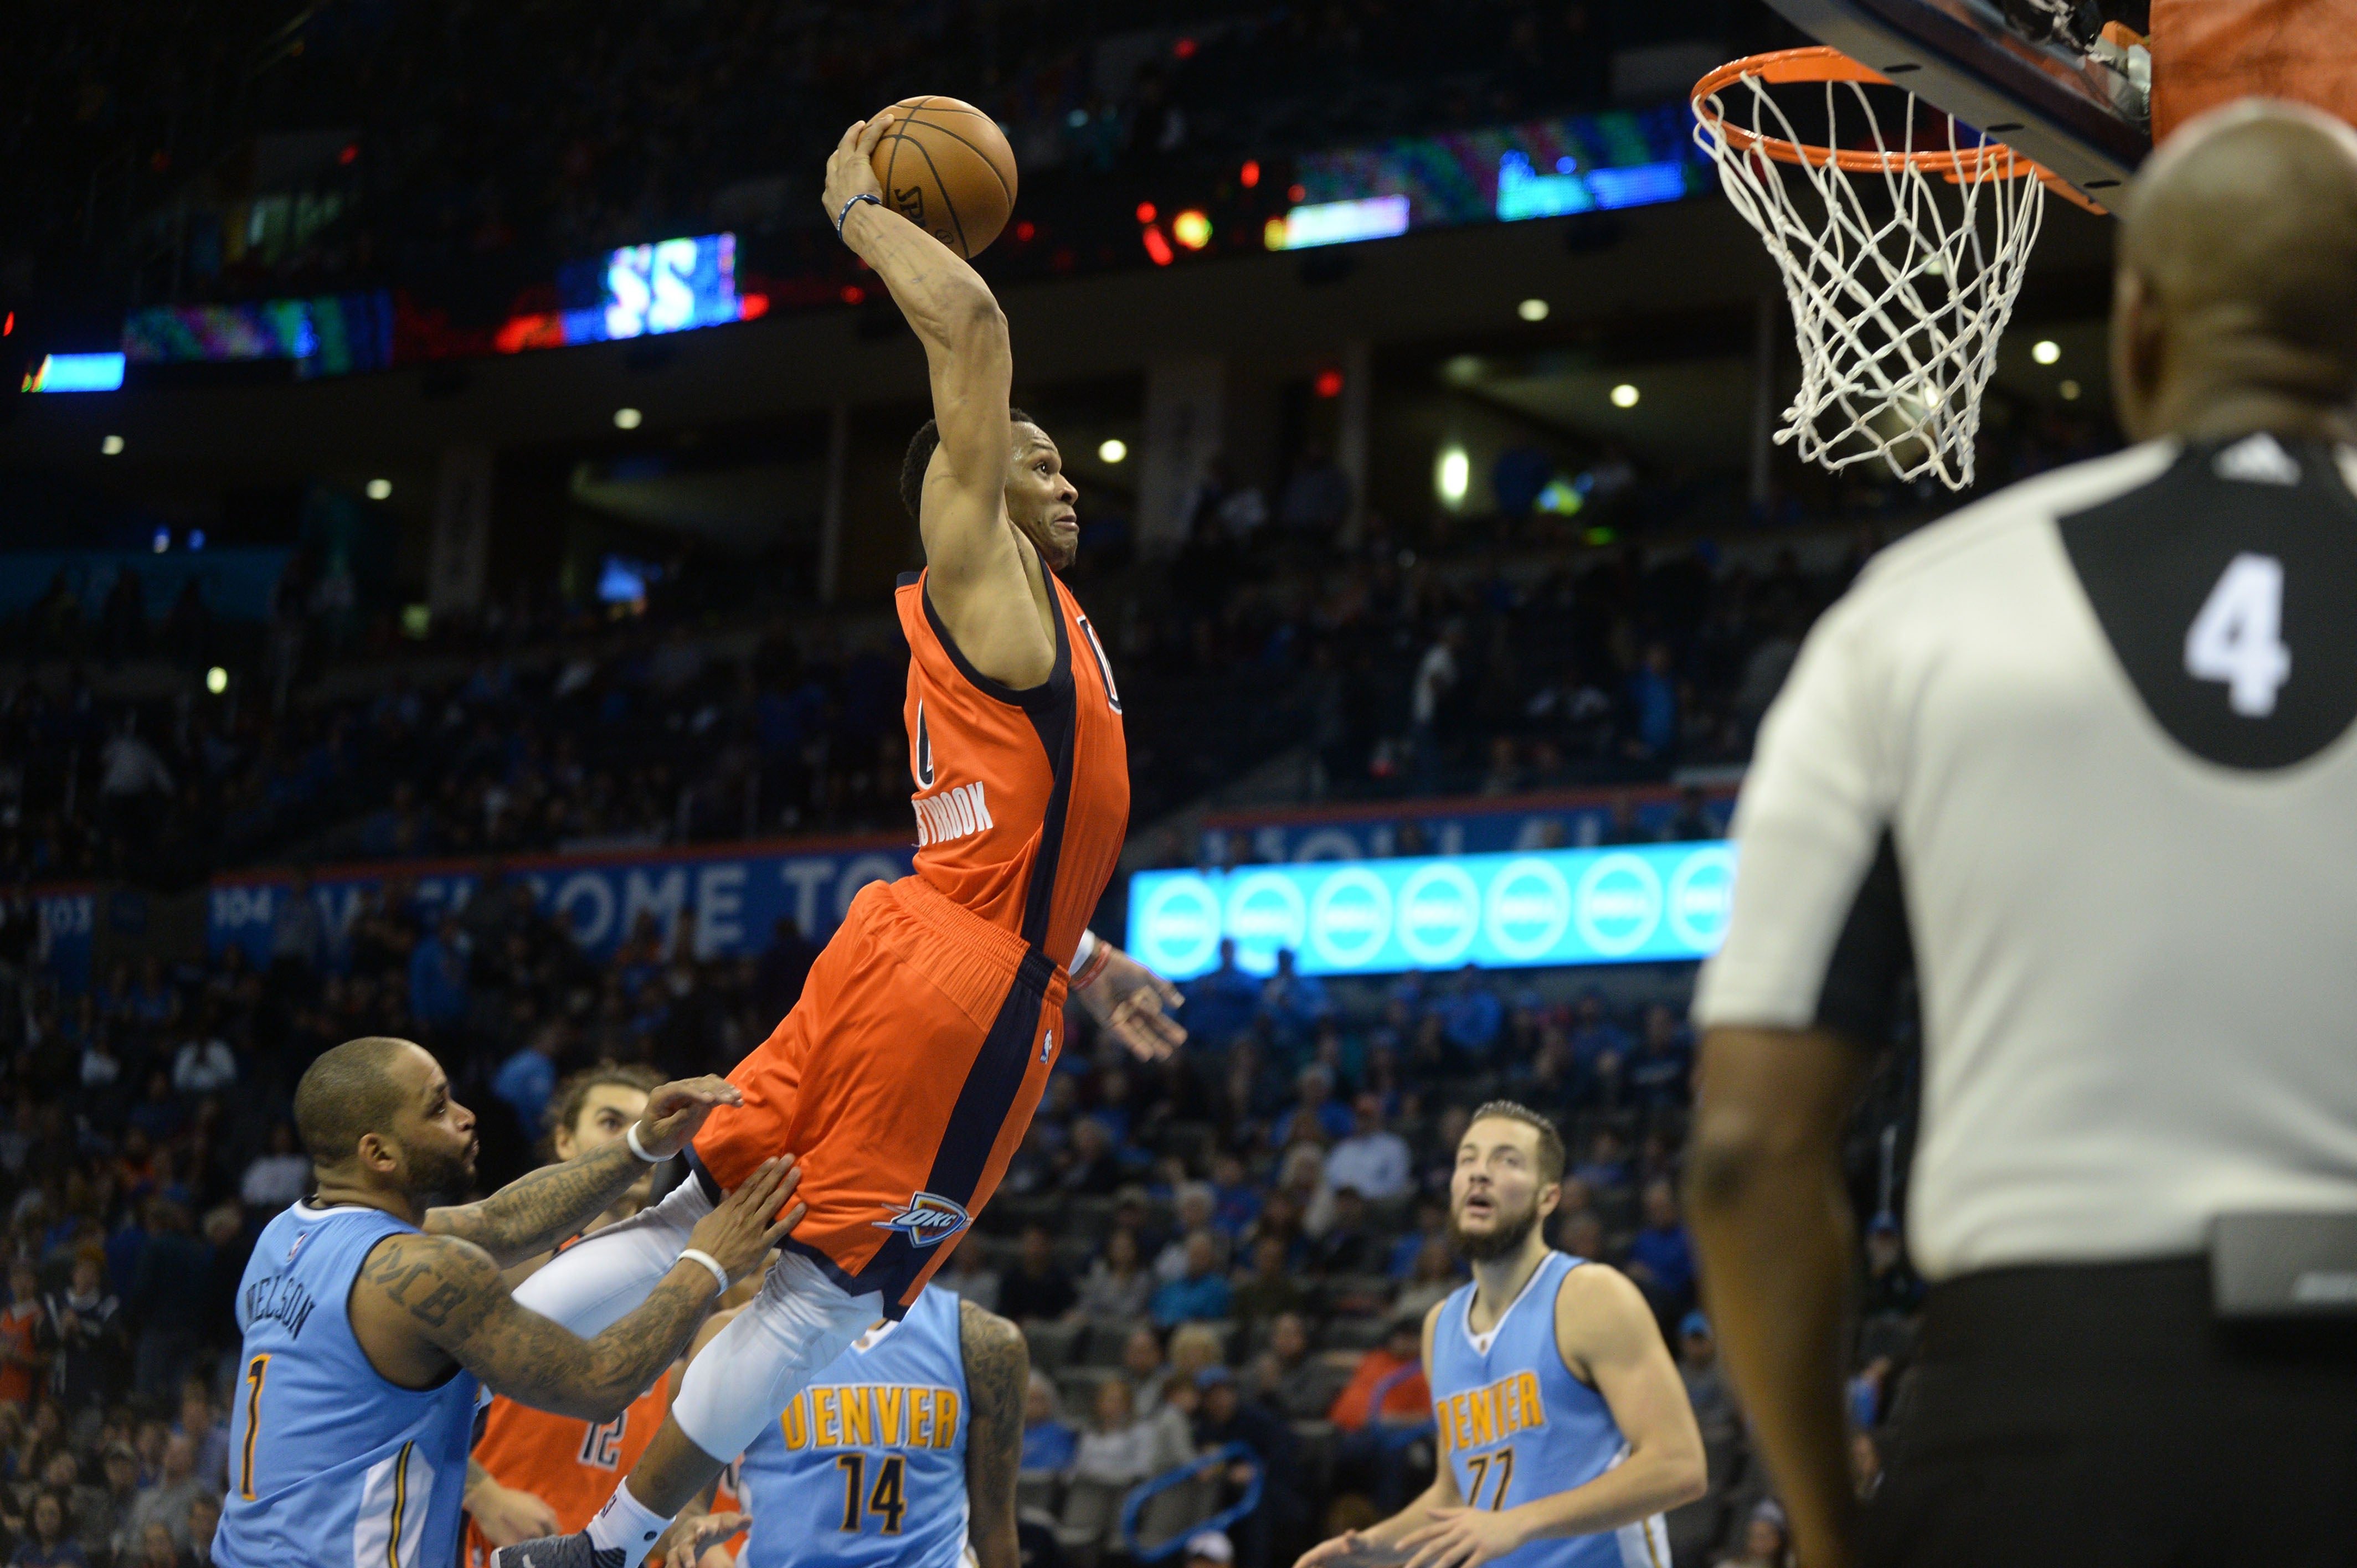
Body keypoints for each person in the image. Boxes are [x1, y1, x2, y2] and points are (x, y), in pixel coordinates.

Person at [493, 109, 1188, 1568]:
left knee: (706, 1193)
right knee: (825, 1289)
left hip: (914, 932)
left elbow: (1009, 836)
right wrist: (865, 211)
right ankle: (606, 1545)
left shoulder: (1031, 622)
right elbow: (979, 327)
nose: (1067, 481)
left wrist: (1095, 949)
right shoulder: (981, 562)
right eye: (1040, 459)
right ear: (971, 477)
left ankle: (427, 1308)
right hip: (968, 986)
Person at [1685, 101, 2357, 1568]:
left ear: (2141, 325)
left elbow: (1747, 1146)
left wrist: (1828, 1525)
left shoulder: (1925, 613)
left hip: (2051, 1429)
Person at [213, 1037, 795, 1568]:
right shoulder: (421, 1272)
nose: (466, 1118)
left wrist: (640, 1146)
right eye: (437, 1108)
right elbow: (598, 1383)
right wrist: (706, 1266)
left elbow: (500, 1219)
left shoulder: (289, 1238)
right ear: (379, 1153)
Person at [1297, 1103, 1703, 1568]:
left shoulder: (1591, 1297)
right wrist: (1370, 1549)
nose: (1479, 1174)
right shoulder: (1440, 1326)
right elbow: (1454, 1496)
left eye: (1506, 1160)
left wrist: (1518, 1521)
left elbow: (1680, 1466)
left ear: (1547, 1198)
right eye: (1467, 1159)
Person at [462, 1065, 674, 1561]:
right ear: (563, 1141)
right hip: (505, 1537)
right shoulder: (513, 1265)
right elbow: (407, 1399)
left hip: (613, 1549)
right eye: (610, 1122)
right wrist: (480, 1492)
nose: (636, 1137)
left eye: (650, 1124)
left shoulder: (681, 1274)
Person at [703, 1288, 1026, 1568]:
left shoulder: (981, 1339)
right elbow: (680, 1505)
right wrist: (700, 1542)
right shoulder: (738, 1331)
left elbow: (994, 1528)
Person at [1325, 1096, 1412, 1203]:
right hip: (1341, 1204)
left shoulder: (1394, 1146)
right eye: (1360, 1116)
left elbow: (1396, 1183)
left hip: (1377, 1205)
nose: (1364, 1121)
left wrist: (1364, 1198)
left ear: (1378, 1116)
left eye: (1369, 1116)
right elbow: (1330, 1179)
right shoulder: (1343, 1148)